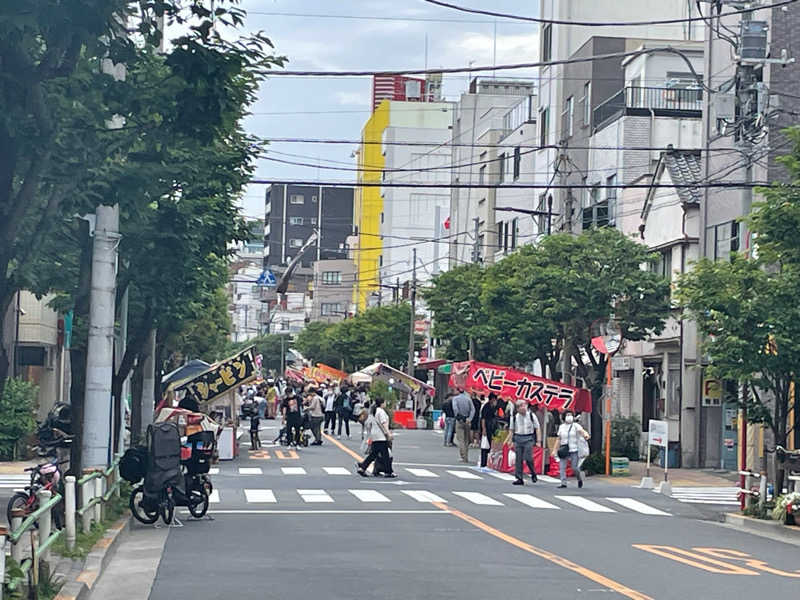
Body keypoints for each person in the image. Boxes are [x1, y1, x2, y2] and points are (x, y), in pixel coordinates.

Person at [356, 397, 396, 478]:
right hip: (380, 436)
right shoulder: (381, 412)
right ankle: (389, 471)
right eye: (384, 402)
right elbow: (383, 423)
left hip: (375, 435)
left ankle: (362, 467)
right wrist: (388, 434)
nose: (385, 404)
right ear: (382, 403)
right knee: (385, 455)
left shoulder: (375, 411)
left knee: (374, 454)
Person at [554, 411, 590, 489]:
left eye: (570, 415)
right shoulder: (561, 427)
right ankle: (563, 483)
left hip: (574, 449)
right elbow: (558, 439)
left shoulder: (576, 426)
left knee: (574, 467)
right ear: (564, 417)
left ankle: (579, 478)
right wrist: (554, 450)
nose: (569, 416)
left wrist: (586, 435)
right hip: (564, 449)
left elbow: (582, 431)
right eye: (567, 415)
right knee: (562, 467)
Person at [509, 400, 541, 485]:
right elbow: (511, 430)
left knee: (528, 458)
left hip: (528, 438)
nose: (522, 408)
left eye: (523, 406)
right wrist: (510, 441)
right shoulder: (515, 417)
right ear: (517, 409)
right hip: (518, 437)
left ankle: (533, 473)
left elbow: (537, 428)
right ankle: (519, 478)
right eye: (519, 406)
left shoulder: (531, 415)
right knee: (518, 459)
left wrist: (538, 441)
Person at [452, 388, 475, 463]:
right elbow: (473, 410)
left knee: (461, 439)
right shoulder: (468, 399)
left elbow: (455, 409)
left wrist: (458, 417)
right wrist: (470, 418)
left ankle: (463, 456)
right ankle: (466, 456)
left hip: (460, 420)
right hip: (467, 420)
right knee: (466, 440)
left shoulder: (455, 399)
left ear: (458, 391)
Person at [479, 393, 499, 468]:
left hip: (491, 427)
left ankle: (488, 462)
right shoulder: (486, 407)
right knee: (485, 446)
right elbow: (483, 418)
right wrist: (484, 429)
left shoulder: (494, 407)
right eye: (494, 399)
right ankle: (483, 463)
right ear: (492, 399)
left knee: (490, 445)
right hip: (486, 426)